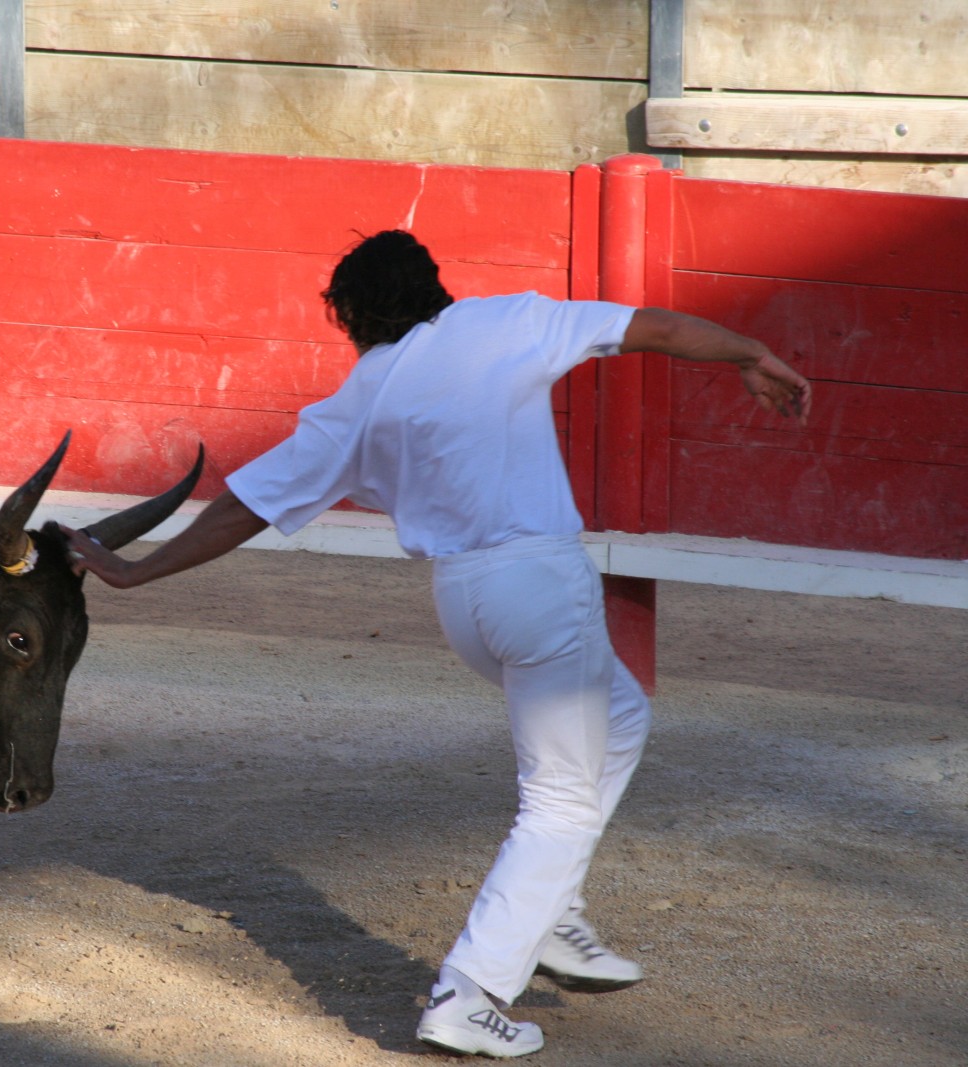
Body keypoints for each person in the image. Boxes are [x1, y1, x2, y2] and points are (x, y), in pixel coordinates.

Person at [64, 230, 811, 1058]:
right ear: (435, 287)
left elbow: (246, 505)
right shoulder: (506, 323)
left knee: (623, 715)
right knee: (559, 801)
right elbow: (656, 330)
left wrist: (136, 572)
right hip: (540, 585)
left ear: (351, 317)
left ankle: (549, 916)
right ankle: (472, 988)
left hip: (466, 601)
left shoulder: (362, 394)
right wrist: (750, 350)